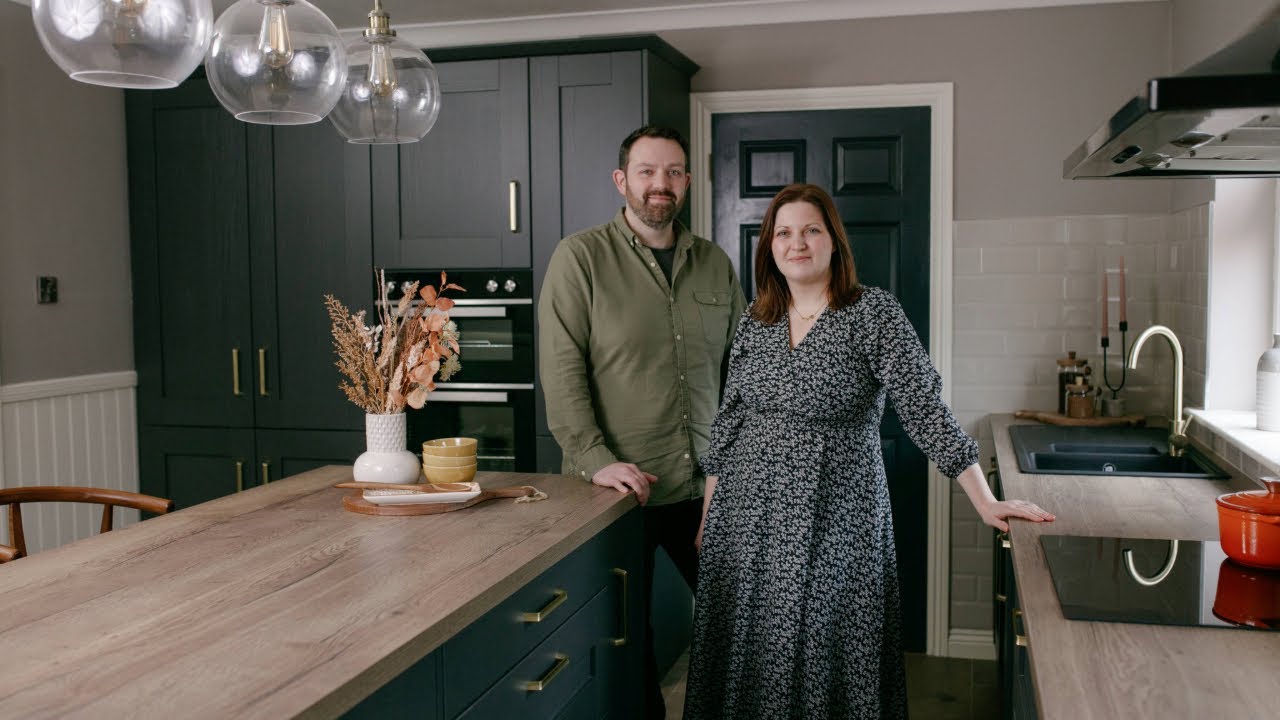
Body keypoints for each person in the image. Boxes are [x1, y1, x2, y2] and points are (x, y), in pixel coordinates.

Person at [683, 183, 1055, 719]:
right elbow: (729, 425)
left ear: (834, 240)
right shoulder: (754, 321)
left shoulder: (872, 314)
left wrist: (985, 500)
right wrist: (708, 514)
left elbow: (926, 410)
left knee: (826, 656)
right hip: (746, 522)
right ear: (769, 247)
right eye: (783, 233)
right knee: (753, 655)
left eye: (811, 230)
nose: (797, 243)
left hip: (837, 521)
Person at [538, 125, 746, 719]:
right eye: (649, 171)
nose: (662, 184)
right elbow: (562, 373)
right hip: (615, 492)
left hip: (707, 489)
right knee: (629, 647)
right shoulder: (580, 259)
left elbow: (740, 378)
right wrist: (598, 461)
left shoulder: (713, 263)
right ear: (622, 180)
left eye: (675, 172)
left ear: (686, 181)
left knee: (746, 627)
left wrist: (726, 474)